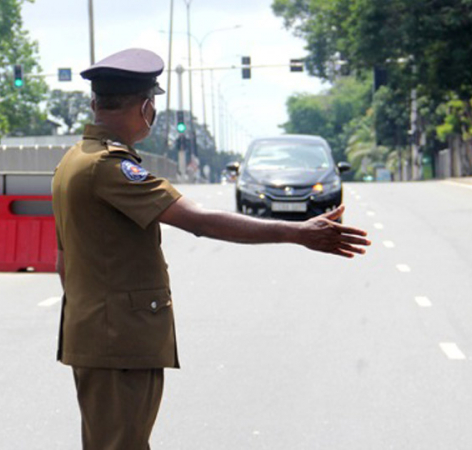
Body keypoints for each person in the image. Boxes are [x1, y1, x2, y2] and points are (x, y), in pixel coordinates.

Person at [51, 48, 371, 450]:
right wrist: (297, 232)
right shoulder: (110, 167)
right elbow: (199, 221)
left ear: (95, 102)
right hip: (119, 344)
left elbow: (63, 262)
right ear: (148, 108)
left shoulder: (73, 161)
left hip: (98, 336)